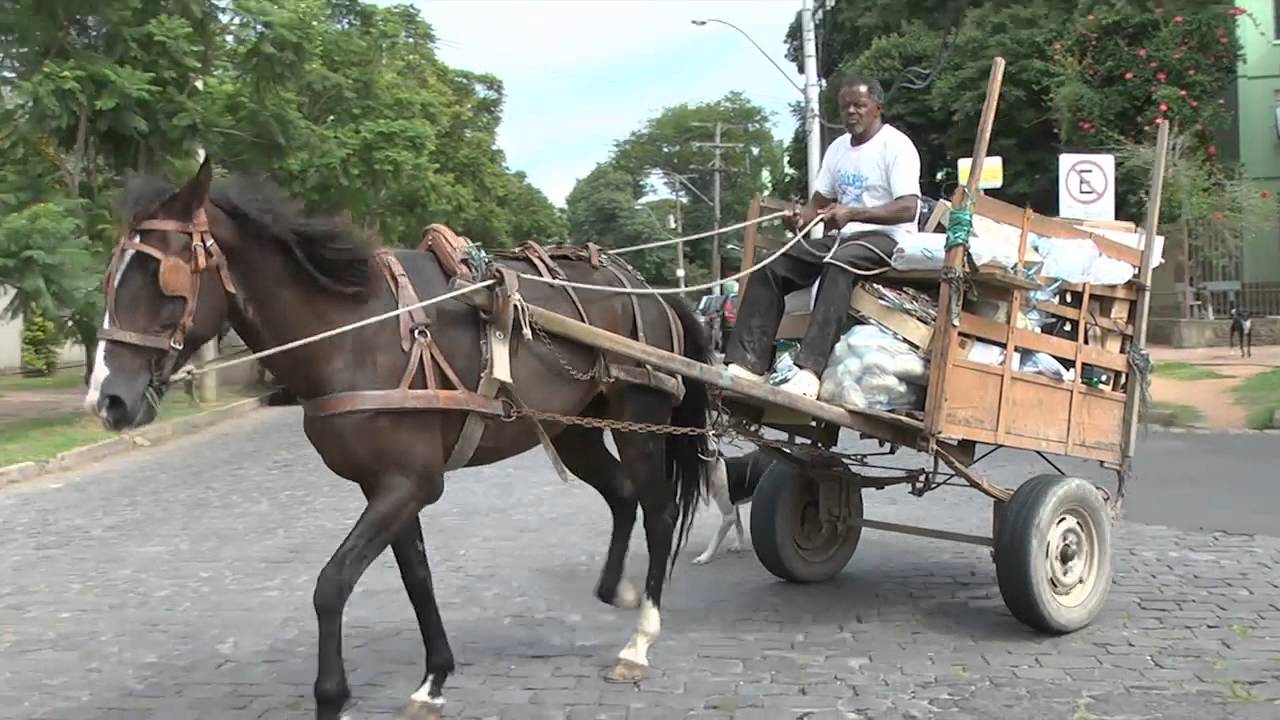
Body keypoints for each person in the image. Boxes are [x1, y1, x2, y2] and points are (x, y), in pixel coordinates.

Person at [724, 73, 922, 399]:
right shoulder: (837, 149)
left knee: (838, 263)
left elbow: (908, 209)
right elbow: (815, 207)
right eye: (845, 107)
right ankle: (747, 365)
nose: (851, 113)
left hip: (888, 238)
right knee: (772, 266)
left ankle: (810, 370)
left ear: (877, 107)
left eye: (859, 105)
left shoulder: (896, 146)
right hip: (844, 238)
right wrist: (798, 218)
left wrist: (853, 213)